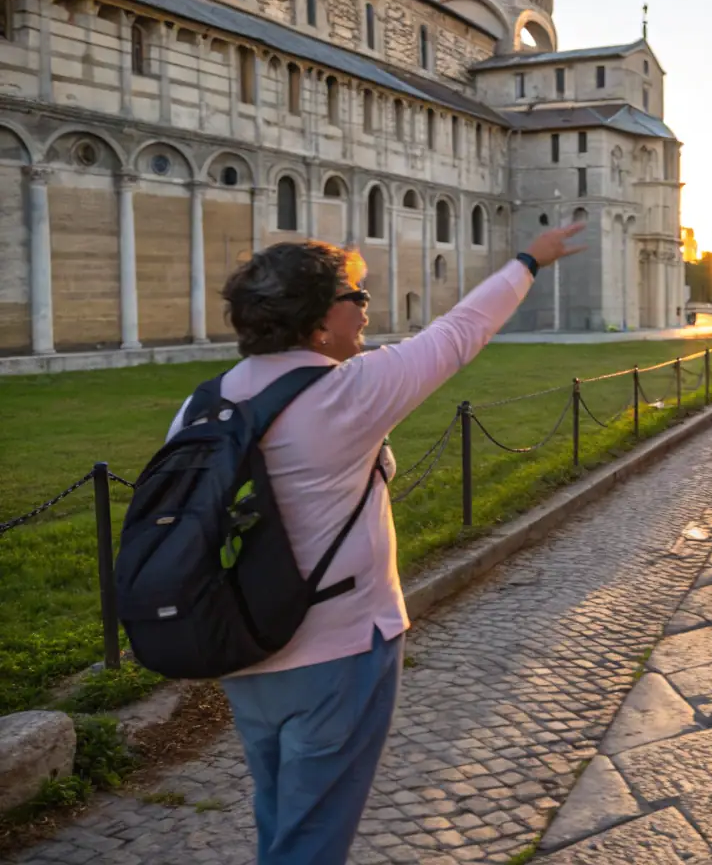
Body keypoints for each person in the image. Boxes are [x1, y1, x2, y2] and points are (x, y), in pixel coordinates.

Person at [169, 225, 584, 864]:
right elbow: (458, 332)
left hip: (243, 647)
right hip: (337, 651)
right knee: (311, 839)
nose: (366, 308)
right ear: (315, 322)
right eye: (354, 296)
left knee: (280, 815)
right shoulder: (346, 393)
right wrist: (530, 260)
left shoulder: (204, 403)